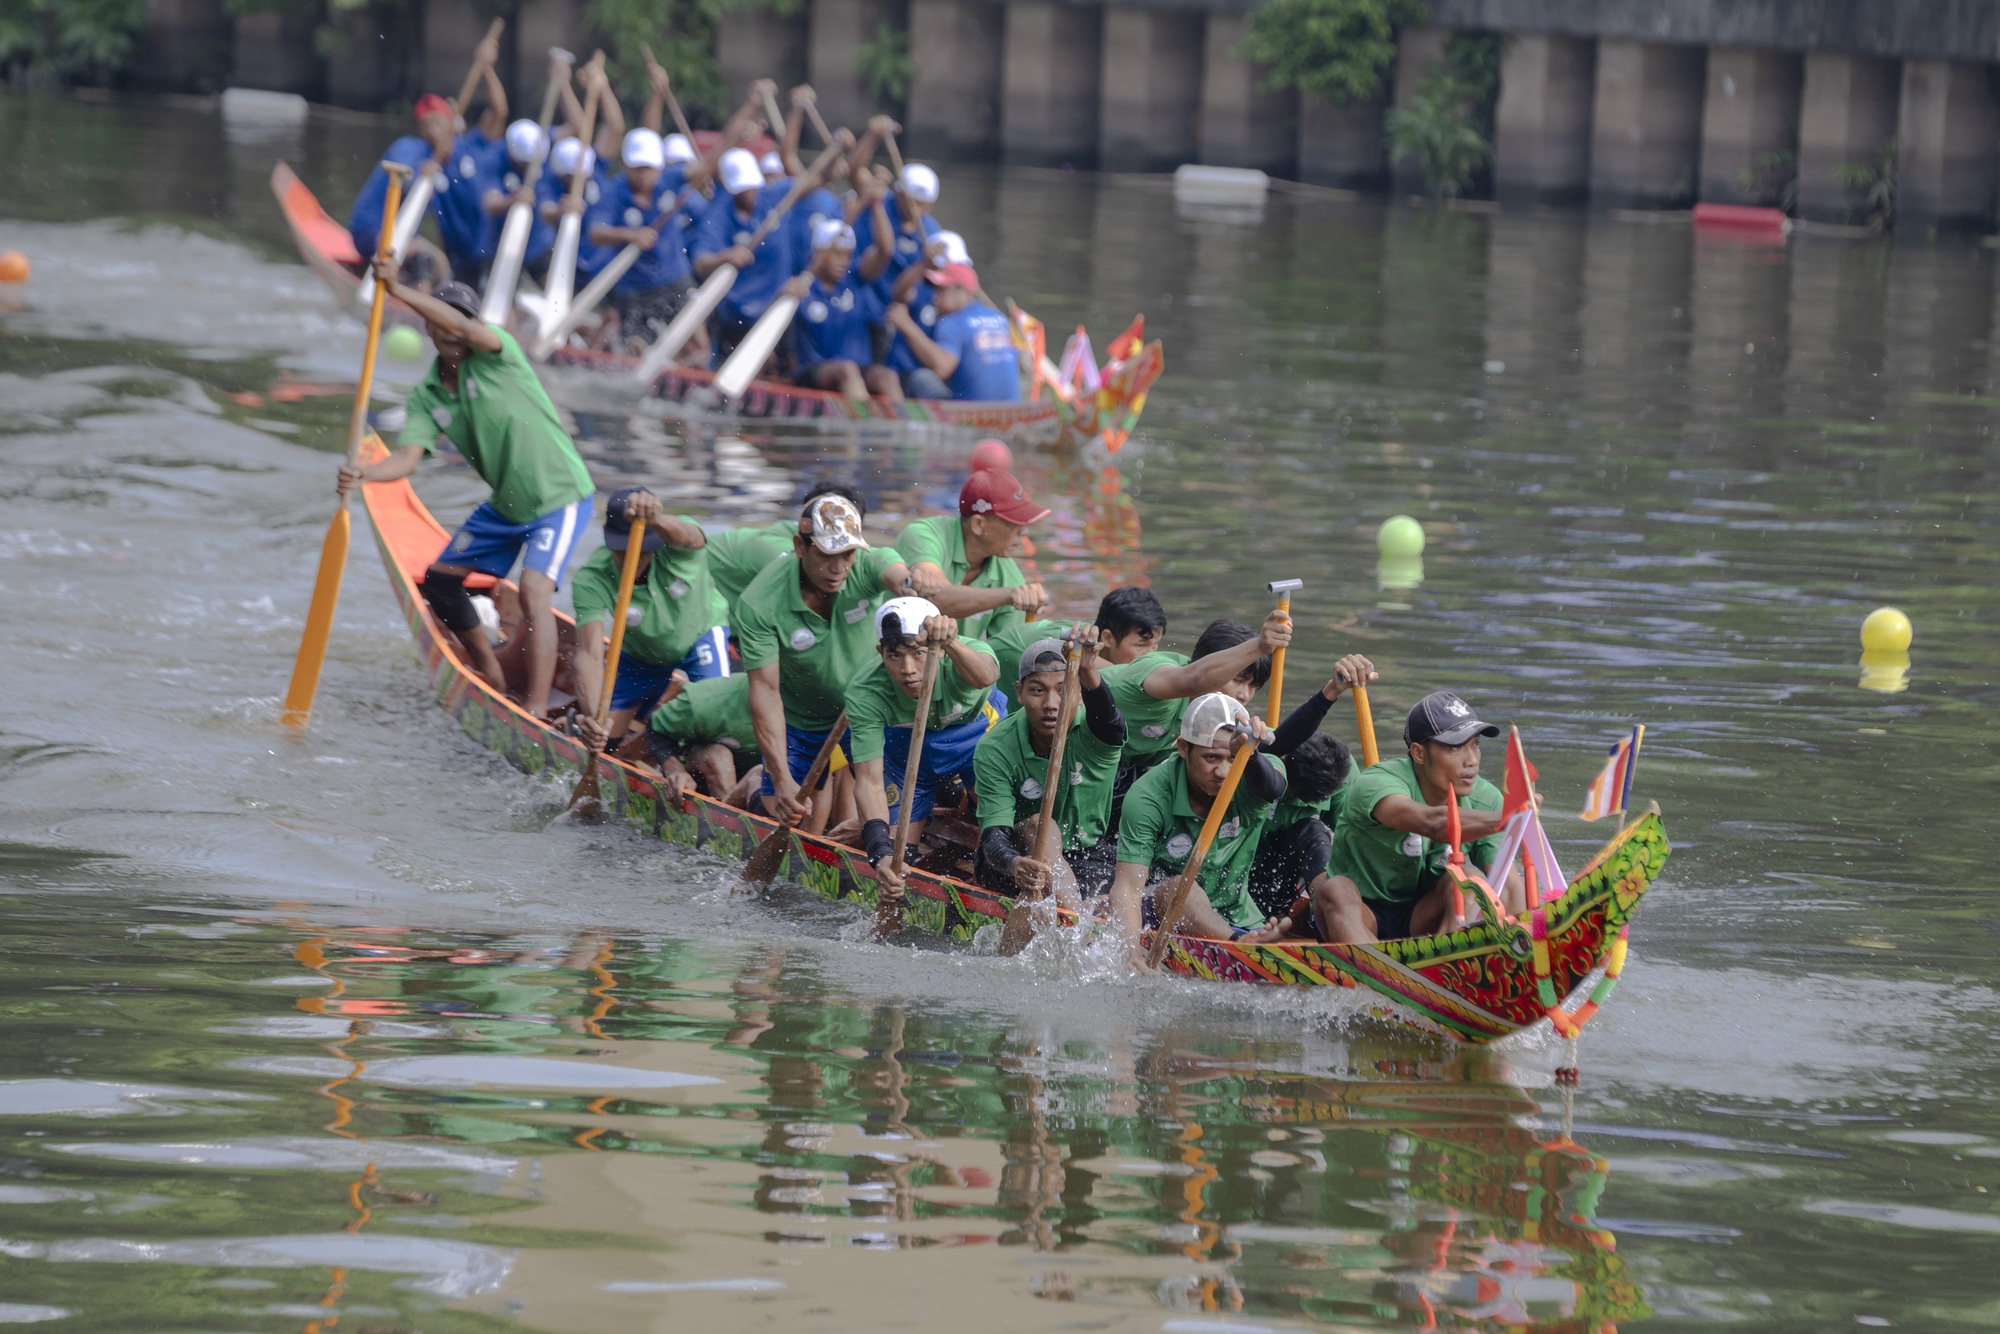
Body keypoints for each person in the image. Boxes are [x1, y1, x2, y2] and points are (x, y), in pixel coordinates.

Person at [336, 272, 594, 719]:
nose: (451, 331)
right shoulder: (426, 396)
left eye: (460, 322)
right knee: (439, 581)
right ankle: (489, 667)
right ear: (428, 329)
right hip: (507, 505)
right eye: (441, 323)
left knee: (534, 590)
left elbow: (468, 330)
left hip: (561, 495)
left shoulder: (498, 352)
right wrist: (365, 474)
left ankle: (533, 709)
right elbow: (408, 459)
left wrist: (398, 290)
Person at [732, 492, 913, 827]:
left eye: (847, 555)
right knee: (788, 812)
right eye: (827, 555)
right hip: (805, 719)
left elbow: (900, 578)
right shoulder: (760, 602)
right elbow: (766, 694)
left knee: (891, 805)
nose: (839, 568)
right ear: (801, 547)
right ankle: (758, 784)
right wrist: (781, 775)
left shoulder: (867, 565)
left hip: (869, 709)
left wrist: (913, 586)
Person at [1320, 691, 1522, 943]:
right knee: (1334, 889)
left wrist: (1533, 941)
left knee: (1471, 880)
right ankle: (1380, 974)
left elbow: (1510, 886)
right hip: (1361, 913)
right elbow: (1432, 823)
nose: (1472, 760)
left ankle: (1449, 960)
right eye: (1457, 747)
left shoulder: (1488, 799)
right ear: (1418, 753)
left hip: (1423, 916)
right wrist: (1511, 816)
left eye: (1475, 745)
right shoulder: (1377, 783)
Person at [1107, 693, 1294, 949]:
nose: (1223, 772)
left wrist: (1248, 756)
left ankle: (1245, 940)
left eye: (1231, 758)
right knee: (1181, 888)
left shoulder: (1251, 773)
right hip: (1161, 915)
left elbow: (1272, 788)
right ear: (1183, 748)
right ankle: (1241, 945)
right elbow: (1128, 887)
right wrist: (1129, 951)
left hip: (1237, 918)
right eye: (1211, 758)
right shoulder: (1148, 796)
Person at [847, 597, 1003, 888]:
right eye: (895, 657)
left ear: (939, 651)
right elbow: (869, 782)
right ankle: (870, 842)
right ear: (880, 652)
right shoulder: (865, 692)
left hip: (976, 735)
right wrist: (880, 854)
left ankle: (989, 867)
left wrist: (951, 643)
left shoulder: (963, 651)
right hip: (908, 748)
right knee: (897, 852)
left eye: (918, 653)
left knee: (1001, 819)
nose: (907, 669)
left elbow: (986, 676)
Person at [568, 486, 729, 746]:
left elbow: (690, 537)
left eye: (643, 551)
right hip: (641, 654)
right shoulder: (592, 577)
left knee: (718, 720)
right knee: (606, 738)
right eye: (622, 551)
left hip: (702, 635)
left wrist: (656, 519)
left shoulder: (676, 544)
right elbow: (589, 654)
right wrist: (594, 718)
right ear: (609, 541)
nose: (632, 559)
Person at [974, 627, 1126, 901]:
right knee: (1040, 826)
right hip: (1018, 861)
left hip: (1087, 855)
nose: (1051, 704)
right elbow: (994, 836)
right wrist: (1014, 864)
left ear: (1079, 694)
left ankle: (1071, 917)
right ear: (1019, 693)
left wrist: (1088, 670)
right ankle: (1074, 922)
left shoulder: (1097, 735)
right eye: (1037, 691)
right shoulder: (994, 748)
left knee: (1114, 900)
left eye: (1063, 690)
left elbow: (1111, 722)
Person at [1099, 610, 1296, 788]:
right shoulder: (1159, 673)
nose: (1244, 695)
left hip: (1128, 770)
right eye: (1237, 680)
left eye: (1253, 686)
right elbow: (1194, 679)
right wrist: (1259, 646)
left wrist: (1326, 696)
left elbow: (1281, 741)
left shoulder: (1225, 718)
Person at [897, 469, 1048, 643]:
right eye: (1013, 523)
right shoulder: (922, 536)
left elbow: (1009, 654)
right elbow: (936, 599)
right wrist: (1008, 597)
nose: (1024, 532)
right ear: (978, 524)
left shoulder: (1011, 578)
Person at [588, 128, 703, 353]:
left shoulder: (669, 179)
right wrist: (631, 234)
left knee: (699, 347)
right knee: (635, 349)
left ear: (658, 168)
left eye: (648, 168)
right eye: (637, 168)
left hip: (674, 278)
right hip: (634, 288)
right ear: (627, 167)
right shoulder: (614, 191)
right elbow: (595, 232)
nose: (643, 174)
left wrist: (739, 133)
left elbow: (707, 165)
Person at [693, 147, 801, 366]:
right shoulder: (718, 215)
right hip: (735, 312)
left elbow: (812, 181)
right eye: (743, 188)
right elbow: (700, 262)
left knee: (783, 361)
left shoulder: (773, 195)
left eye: (752, 187)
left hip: (775, 302)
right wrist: (726, 257)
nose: (749, 193)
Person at [784, 208, 898, 403]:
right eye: (837, 254)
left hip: (857, 370)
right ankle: (865, 426)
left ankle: (904, 428)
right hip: (814, 371)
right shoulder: (801, 289)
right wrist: (782, 297)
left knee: (887, 376)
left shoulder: (855, 280)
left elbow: (886, 250)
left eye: (847, 255)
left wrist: (876, 204)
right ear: (818, 253)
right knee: (846, 370)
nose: (843, 262)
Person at [430, 48, 511, 290]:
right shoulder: (428, 163)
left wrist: (486, 68)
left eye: (440, 123)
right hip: (457, 257)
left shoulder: (475, 145)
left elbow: (499, 110)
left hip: (486, 251)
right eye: (431, 126)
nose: (437, 130)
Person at [887, 261, 1021, 402]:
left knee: (919, 377)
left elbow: (942, 367)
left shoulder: (952, 322)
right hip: (1009, 407)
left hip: (969, 413)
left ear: (962, 291)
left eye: (942, 290)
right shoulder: (999, 318)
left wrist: (907, 325)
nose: (934, 298)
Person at [639, 674, 761, 805]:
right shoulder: (708, 702)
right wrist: (674, 770)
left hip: (757, 778)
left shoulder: (785, 710)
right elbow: (657, 727)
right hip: (701, 768)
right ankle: (724, 813)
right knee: (718, 756)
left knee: (761, 774)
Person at [484, 119, 557, 288]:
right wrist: (512, 200)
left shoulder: (542, 155)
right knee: (499, 298)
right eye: (523, 163)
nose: (527, 167)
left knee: (553, 286)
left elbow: (547, 206)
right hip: (501, 247)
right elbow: (490, 203)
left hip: (538, 245)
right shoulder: (494, 158)